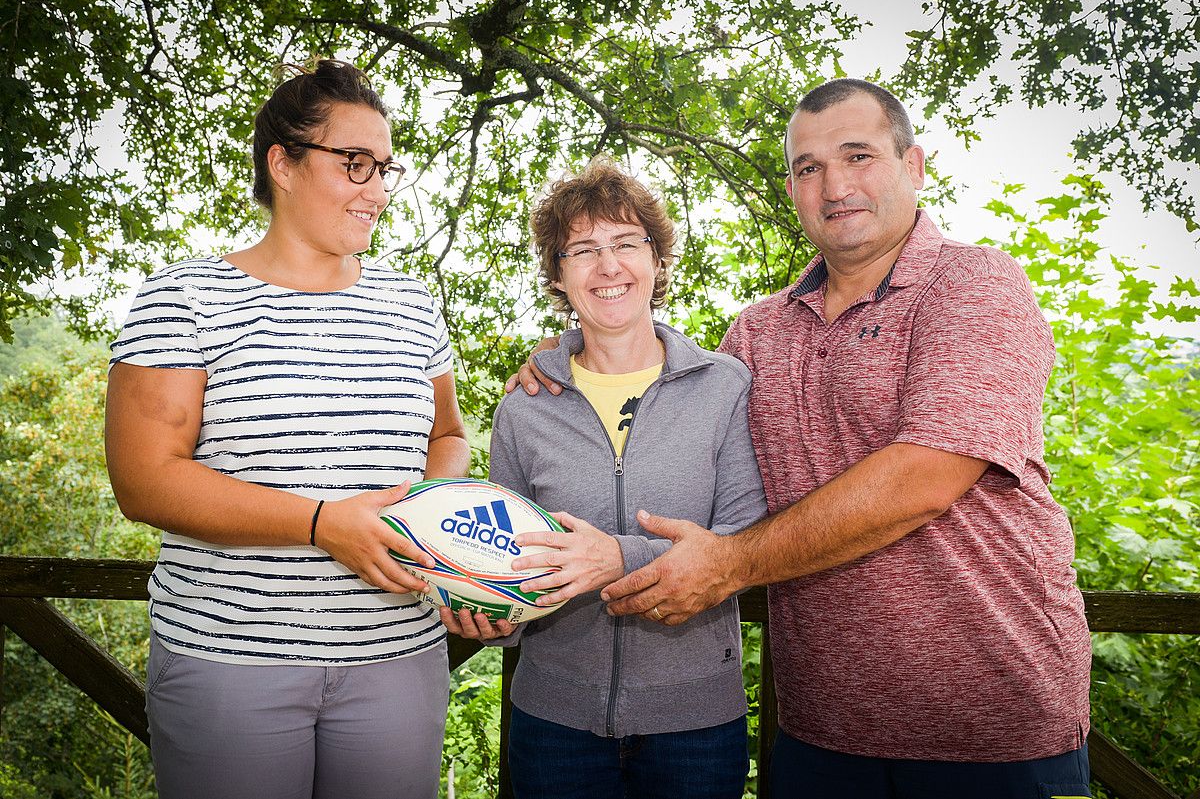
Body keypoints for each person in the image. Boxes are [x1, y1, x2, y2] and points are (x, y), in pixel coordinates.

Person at [514, 80, 1093, 797]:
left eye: (858, 155)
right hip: (821, 734)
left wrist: (729, 563)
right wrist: (565, 356)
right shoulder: (758, 333)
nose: (835, 184)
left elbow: (925, 476)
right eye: (809, 167)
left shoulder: (974, 283)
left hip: (991, 729)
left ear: (914, 166)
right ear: (792, 189)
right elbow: (666, 382)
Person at [105, 60, 469, 799]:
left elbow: (449, 436)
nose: (377, 190)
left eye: (386, 168)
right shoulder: (184, 297)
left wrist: (427, 511)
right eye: (355, 163)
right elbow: (144, 479)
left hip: (400, 656)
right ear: (284, 162)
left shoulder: (412, 305)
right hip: (229, 664)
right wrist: (322, 523)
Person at [444, 159, 767, 799]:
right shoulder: (524, 406)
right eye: (583, 250)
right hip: (553, 721)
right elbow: (503, 550)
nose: (608, 266)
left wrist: (615, 558)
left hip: (695, 724)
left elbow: (747, 536)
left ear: (657, 261)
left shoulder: (724, 387)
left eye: (626, 244)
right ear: (558, 276)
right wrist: (485, 604)